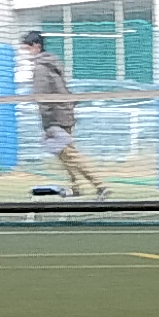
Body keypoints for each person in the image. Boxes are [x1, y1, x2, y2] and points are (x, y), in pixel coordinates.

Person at [21, 29, 109, 196]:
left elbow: (42, 97)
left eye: (27, 48)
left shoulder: (41, 68)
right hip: (65, 113)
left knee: (70, 154)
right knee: (64, 155)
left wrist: (48, 123)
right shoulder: (53, 64)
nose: (26, 53)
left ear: (36, 46)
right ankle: (76, 187)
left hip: (56, 118)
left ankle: (100, 185)